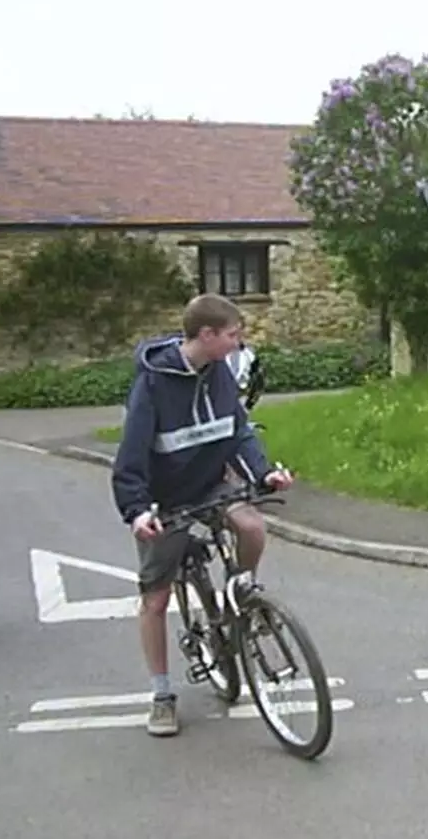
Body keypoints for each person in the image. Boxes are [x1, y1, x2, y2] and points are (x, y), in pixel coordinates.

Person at [111, 294, 293, 738]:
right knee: (155, 600)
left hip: (211, 481)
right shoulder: (153, 384)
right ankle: (161, 695)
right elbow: (131, 454)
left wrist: (265, 473)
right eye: (233, 335)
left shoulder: (221, 375)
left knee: (252, 524)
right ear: (207, 334)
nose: (238, 343)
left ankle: (242, 595)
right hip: (165, 498)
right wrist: (137, 512)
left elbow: (238, 431)